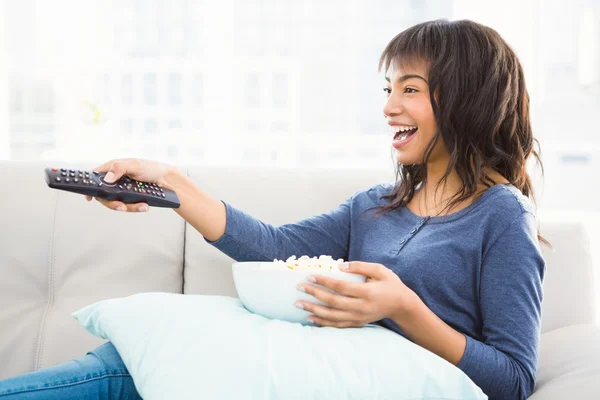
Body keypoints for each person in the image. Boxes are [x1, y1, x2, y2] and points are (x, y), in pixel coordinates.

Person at [0, 19, 547, 400]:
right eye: (388, 87)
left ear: (467, 98)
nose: (388, 107)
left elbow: (513, 379)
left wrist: (403, 308)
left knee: (118, 378)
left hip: (291, 377)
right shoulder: (376, 206)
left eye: (410, 88)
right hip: (264, 364)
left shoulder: (502, 216)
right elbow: (275, 248)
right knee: (121, 363)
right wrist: (170, 183)